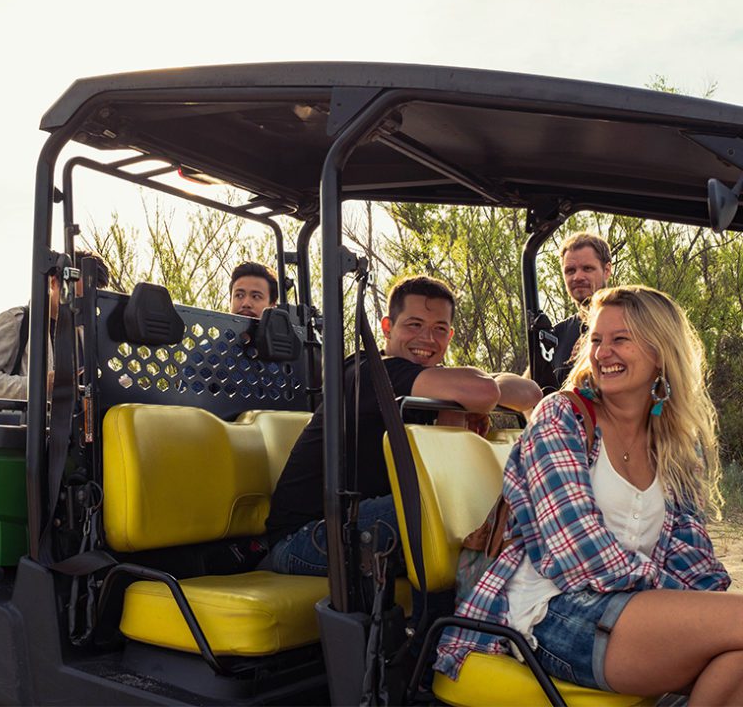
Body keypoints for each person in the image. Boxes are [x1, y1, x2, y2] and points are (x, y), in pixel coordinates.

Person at [436, 285, 741, 704]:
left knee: (737, 660)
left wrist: (700, 608)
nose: (603, 353)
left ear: (660, 352)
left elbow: (694, 558)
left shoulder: (672, 445)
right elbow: (576, 553)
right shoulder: (562, 417)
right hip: (554, 613)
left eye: (621, 339)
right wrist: (680, 604)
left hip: (631, 608)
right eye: (597, 340)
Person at [265, 275, 543, 576]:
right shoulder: (369, 372)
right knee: (441, 507)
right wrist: (477, 395)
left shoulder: (431, 385)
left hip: (361, 521)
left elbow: (530, 393)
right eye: (414, 324)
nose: (427, 338)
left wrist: (474, 396)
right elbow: (484, 392)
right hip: (306, 538)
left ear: (449, 337)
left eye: (439, 329)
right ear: (387, 328)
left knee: (495, 501)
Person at [0, 250, 109, 400]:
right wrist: (39, 385)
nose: (80, 306)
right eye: (76, 296)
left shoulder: (88, 332)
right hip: (28, 422)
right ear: (53, 283)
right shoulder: (17, 321)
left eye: (87, 301)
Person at [550, 232, 612, 389]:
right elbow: (531, 387)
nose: (578, 277)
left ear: (607, 270)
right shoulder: (557, 334)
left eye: (587, 268)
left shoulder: (631, 321)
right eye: (570, 271)